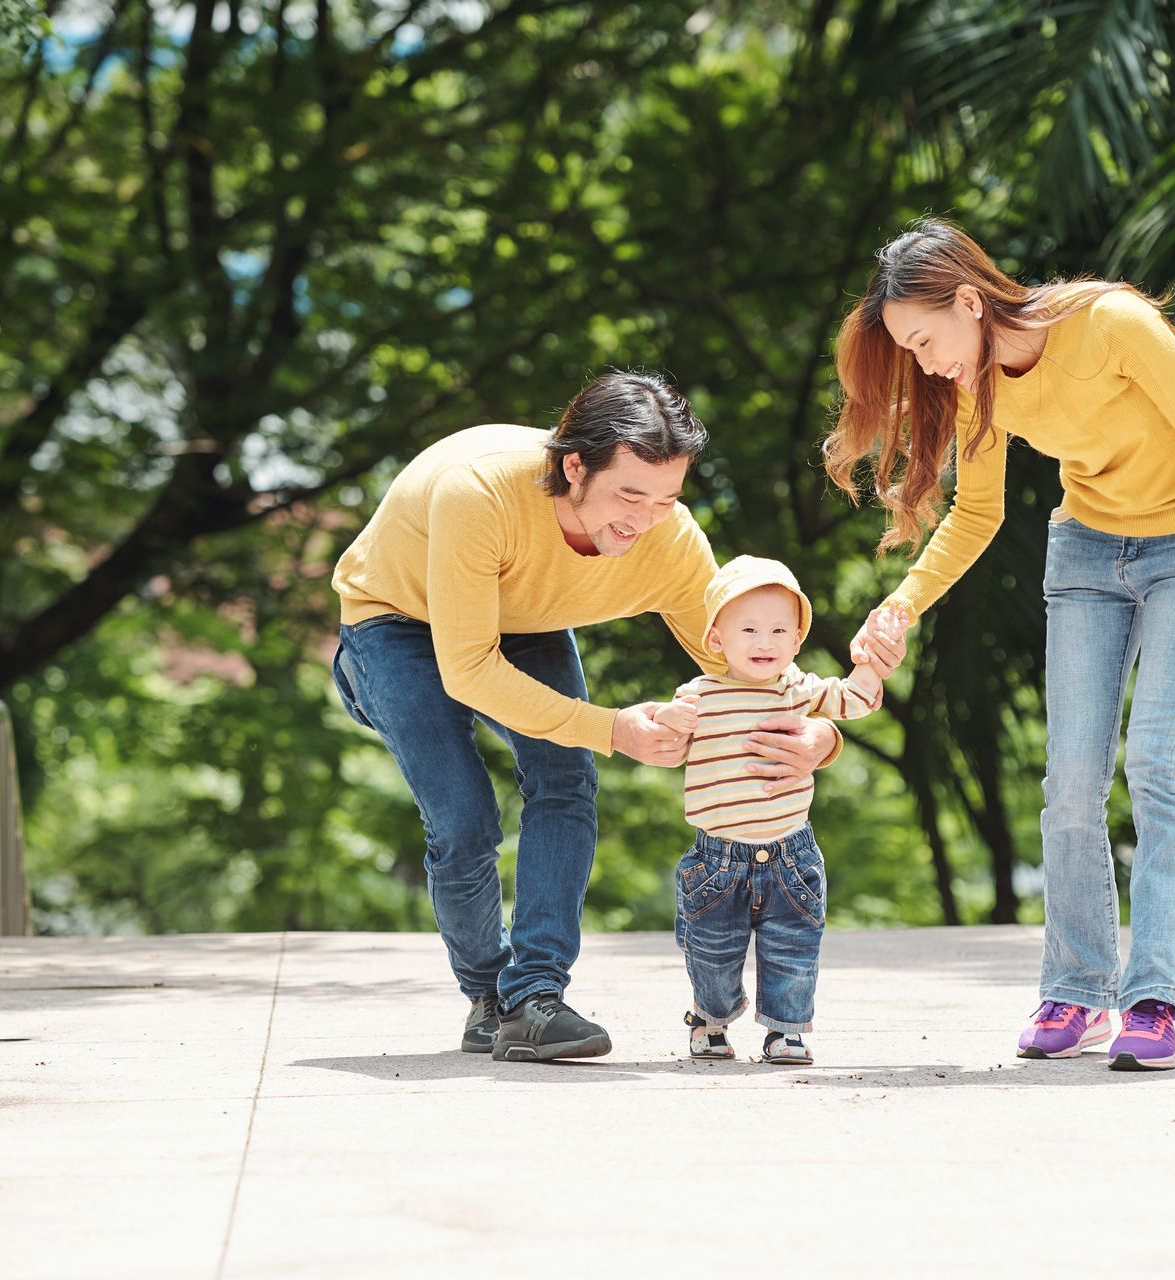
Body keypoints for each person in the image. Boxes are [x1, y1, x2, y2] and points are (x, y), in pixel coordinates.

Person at [824, 219, 1175, 1071]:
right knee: (1072, 775)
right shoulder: (974, 387)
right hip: (1086, 555)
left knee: (1155, 760)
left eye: (926, 339)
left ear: (968, 300)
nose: (926, 363)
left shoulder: (1112, 325)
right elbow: (978, 513)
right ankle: (1076, 988)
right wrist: (902, 605)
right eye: (910, 350)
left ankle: (1152, 1001)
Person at [329, 371, 861, 1063]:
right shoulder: (479, 493)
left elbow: (750, 662)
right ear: (573, 466)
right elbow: (469, 669)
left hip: (528, 617)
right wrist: (614, 728)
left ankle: (534, 1000)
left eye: (666, 498)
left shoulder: (668, 540)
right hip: (399, 618)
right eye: (629, 494)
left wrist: (820, 736)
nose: (642, 520)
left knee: (565, 781)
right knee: (463, 820)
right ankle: (489, 994)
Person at [644, 557, 907, 1065]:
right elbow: (661, 736)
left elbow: (856, 697)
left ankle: (786, 1030)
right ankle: (710, 1016)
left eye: (779, 630)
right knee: (713, 954)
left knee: (793, 947)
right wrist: (666, 718)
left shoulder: (796, 688)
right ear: (717, 638)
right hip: (715, 861)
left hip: (791, 854)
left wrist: (873, 661)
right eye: (749, 629)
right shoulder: (698, 695)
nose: (765, 642)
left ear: (796, 642)